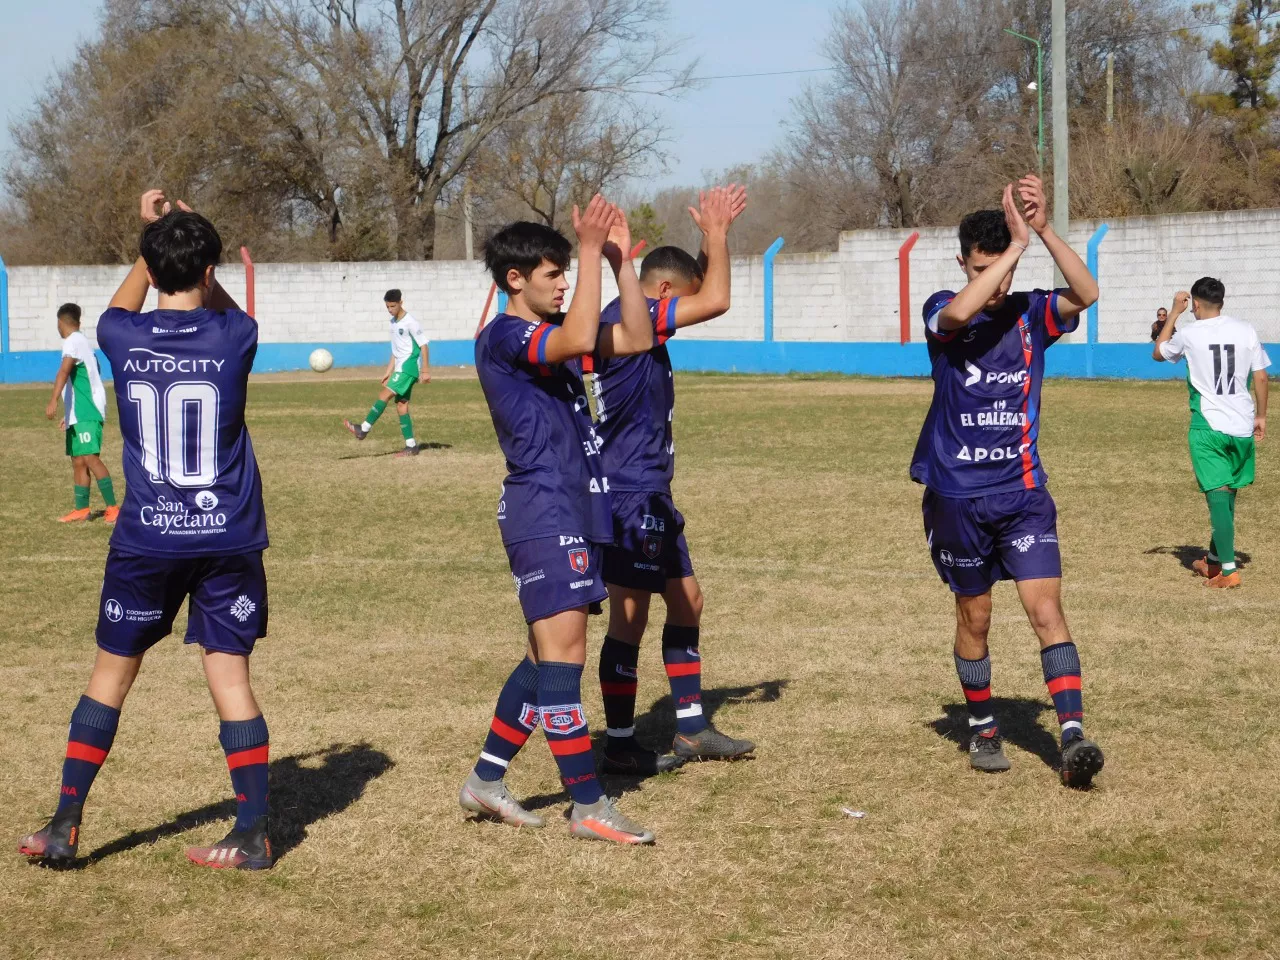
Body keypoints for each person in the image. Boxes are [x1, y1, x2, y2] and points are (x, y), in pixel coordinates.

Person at [18, 190, 273, 869]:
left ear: (153, 270)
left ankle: (66, 826)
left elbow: (123, 304)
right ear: (210, 267)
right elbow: (228, 309)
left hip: (148, 540)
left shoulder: (118, 335)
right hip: (228, 535)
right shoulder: (235, 335)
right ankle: (252, 833)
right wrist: (188, 237)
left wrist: (153, 234)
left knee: (110, 678)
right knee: (231, 679)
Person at [458, 196, 660, 844]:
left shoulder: (554, 340)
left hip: (575, 508)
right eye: (554, 275)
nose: (565, 284)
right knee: (564, 659)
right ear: (515, 280)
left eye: (566, 274)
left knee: (542, 654)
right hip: (543, 510)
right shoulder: (508, 335)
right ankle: (588, 805)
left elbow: (636, 337)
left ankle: (486, 781)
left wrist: (619, 261)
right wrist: (591, 249)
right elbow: (577, 334)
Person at [909, 174, 1105, 788]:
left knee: (1047, 610)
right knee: (976, 616)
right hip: (957, 498)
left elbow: (1088, 292)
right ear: (962, 264)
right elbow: (963, 309)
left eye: (1000, 269)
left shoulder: (1031, 312)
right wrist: (1013, 252)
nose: (994, 285)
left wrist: (1042, 230)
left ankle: (1071, 736)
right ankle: (983, 727)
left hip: (1022, 494)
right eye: (980, 268)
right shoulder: (947, 305)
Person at [590, 185, 757, 776]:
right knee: (629, 619)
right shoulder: (633, 320)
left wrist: (713, 245)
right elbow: (715, 301)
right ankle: (620, 740)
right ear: (662, 294)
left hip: (649, 491)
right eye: (677, 305)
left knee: (687, 601)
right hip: (628, 494)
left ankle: (690, 729)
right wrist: (716, 232)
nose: (681, 319)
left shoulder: (636, 319)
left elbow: (703, 291)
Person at [1153, 278, 1270, 588]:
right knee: (1228, 495)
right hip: (1242, 423)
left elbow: (1159, 352)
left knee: (1217, 496)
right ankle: (1214, 561)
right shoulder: (1246, 329)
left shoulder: (1189, 333)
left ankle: (1228, 572)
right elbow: (1260, 376)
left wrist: (1174, 315)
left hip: (1208, 424)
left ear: (1195, 304)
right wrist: (1261, 415)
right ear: (1222, 301)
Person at [45, 302, 118, 523]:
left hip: (88, 411)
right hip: (80, 412)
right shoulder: (82, 342)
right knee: (78, 459)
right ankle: (82, 509)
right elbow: (82, 380)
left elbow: (64, 372)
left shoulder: (73, 342)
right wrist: (69, 415)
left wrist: (53, 399)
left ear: (60, 322)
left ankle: (113, 508)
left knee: (90, 458)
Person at [344, 290, 431, 456]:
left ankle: (363, 428)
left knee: (384, 395)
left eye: (393, 306)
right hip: (400, 367)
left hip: (408, 367)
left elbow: (424, 345)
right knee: (401, 405)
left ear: (401, 302)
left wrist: (425, 370)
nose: (390, 309)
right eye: (387, 306)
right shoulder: (393, 322)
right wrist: (388, 371)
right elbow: (396, 350)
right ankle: (411, 446)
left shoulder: (410, 321)